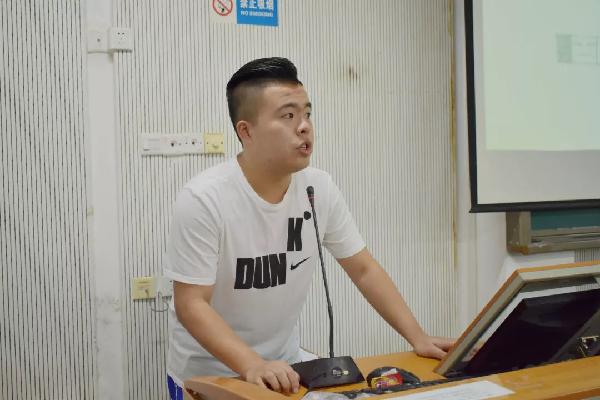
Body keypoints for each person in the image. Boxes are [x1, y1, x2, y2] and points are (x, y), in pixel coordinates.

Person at [164, 57, 453, 399]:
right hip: (209, 375)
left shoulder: (318, 187)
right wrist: (252, 364)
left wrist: (417, 336)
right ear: (246, 131)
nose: (304, 127)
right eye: (288, 116)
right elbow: (192, 304)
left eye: (307, 114)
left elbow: (363, 269)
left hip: (284, 368)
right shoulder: (204, 198)